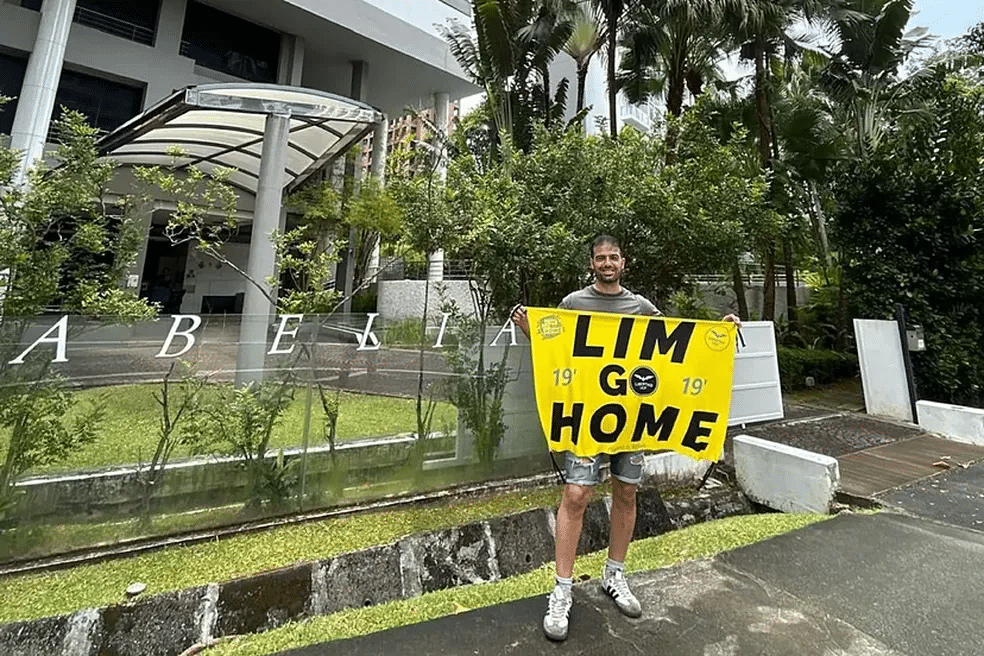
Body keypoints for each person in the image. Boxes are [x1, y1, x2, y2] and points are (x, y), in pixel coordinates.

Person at [511, 234, 740, 641]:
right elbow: (554, 350)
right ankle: (562, 591)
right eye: (600, 257)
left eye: (612, 256)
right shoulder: (573, 304)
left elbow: (677, 351)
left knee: (627, 494)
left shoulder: (641, 308)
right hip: (587, 423)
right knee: (575, 496)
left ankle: (615, 575)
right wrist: (530, 329)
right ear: (591, 263)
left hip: (632, 422)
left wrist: (717, 337)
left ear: (623, 262)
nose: (606, 262)